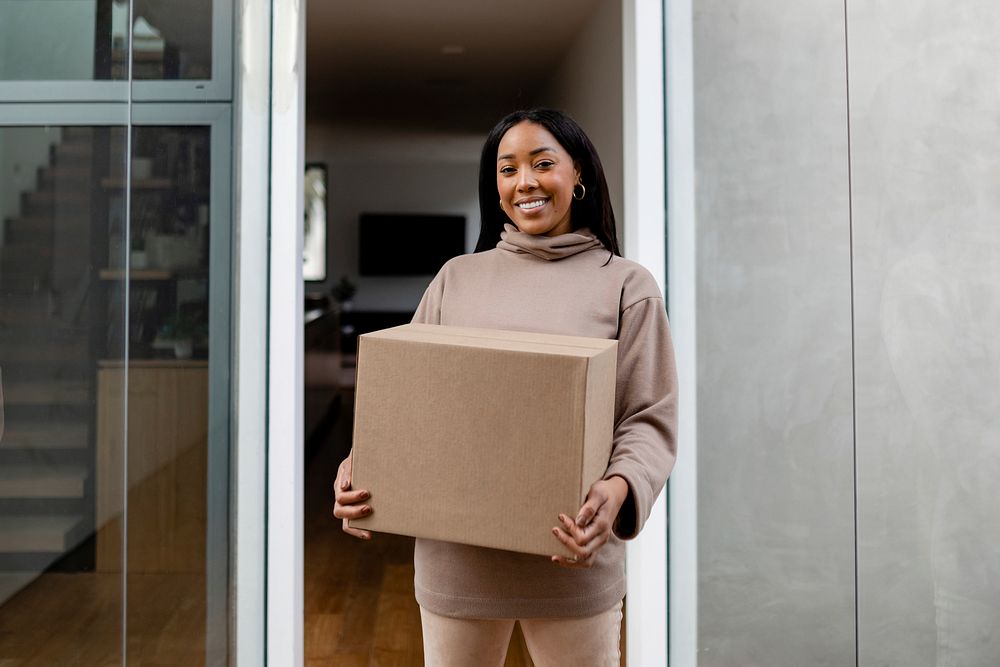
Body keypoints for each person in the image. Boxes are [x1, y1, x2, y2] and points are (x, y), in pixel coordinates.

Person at [334, 108, 677, 666]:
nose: (525, 182)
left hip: (571, 559)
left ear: (578, 174)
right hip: (458, 565)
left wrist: (615, 494)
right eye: (507, 168)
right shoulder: (456, 278)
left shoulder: (626, 285)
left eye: (543, 163)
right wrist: (359, 466)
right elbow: (410, 398)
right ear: (495, 186)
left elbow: (648, 415)